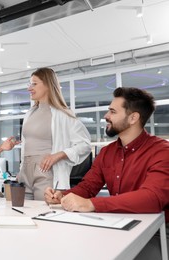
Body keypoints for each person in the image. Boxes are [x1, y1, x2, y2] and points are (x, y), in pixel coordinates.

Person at [44, 87, 169, 260]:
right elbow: (88, 187)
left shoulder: (162, 151)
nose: (105, 116)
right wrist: (63, 195)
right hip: (115, 225)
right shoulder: (107, 152)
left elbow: (152, 199)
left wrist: (92, 204)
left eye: (112, 111)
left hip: (155, 230)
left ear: (133, 118)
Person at [18, 67, 91, 200]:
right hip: (25, 173)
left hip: (46, 172)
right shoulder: (29, 114)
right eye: (29, 84)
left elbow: (84, 145)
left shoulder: (64, 115)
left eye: (34, 84)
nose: (29, 88)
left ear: (47, 85)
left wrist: (59, 155)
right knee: (22, 214)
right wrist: (22, 170)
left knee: (43, 214)